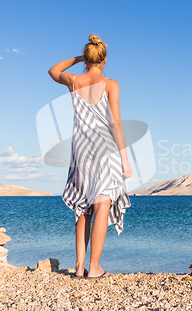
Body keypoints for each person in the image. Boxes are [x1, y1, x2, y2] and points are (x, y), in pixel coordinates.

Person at [48, 34, 132, 279]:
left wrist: (78, 59)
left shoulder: (74, 81)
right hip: (105, 149)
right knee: (102, 202)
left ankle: (79, 267)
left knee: (83, 207)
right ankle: (94, 268)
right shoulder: (110, 83)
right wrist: (125, 160)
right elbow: (116, 123)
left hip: (81, 150)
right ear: (104, 60)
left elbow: (53, 70)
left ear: (87, 59)